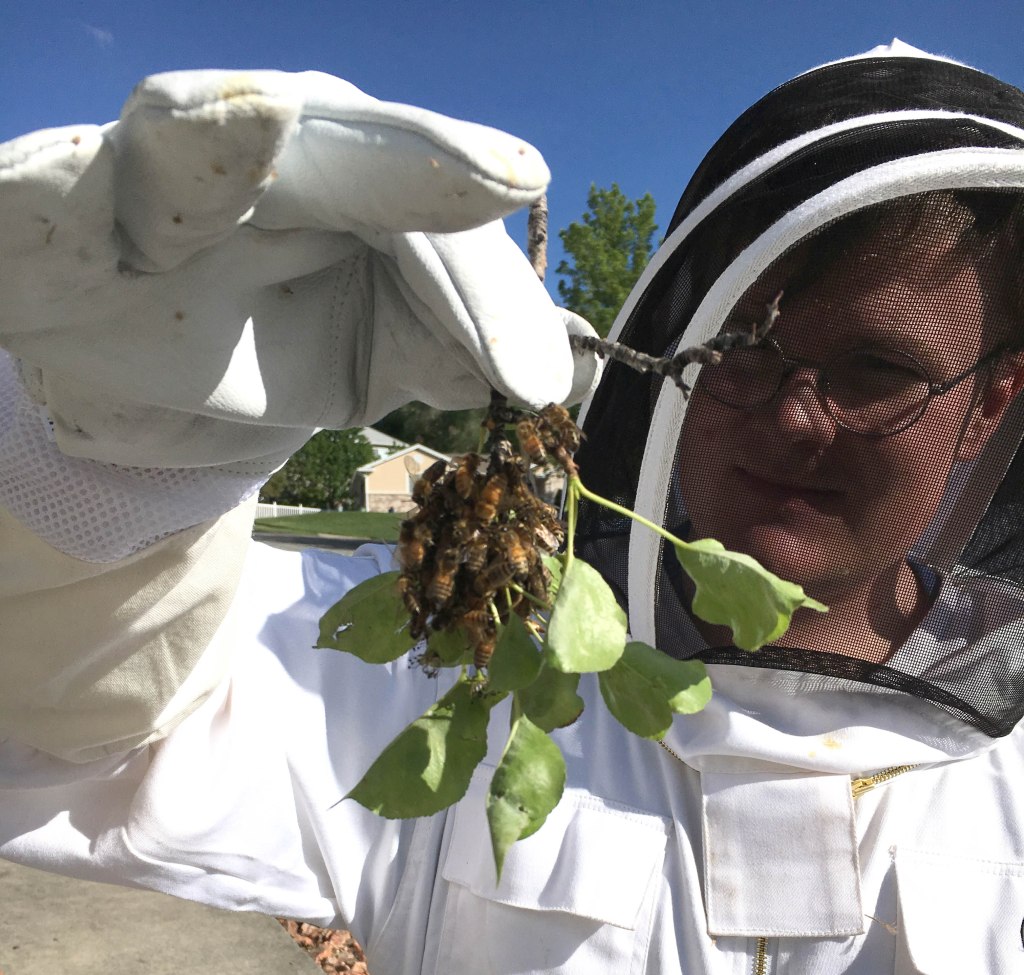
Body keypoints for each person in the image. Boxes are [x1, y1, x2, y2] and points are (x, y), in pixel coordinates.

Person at [4, 40, 1024, 975]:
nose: (795, 416)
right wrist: (111, 449)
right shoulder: (461, 650)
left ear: (990, 401)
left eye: (877, 370)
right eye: (744, 347)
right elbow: (80, 730)